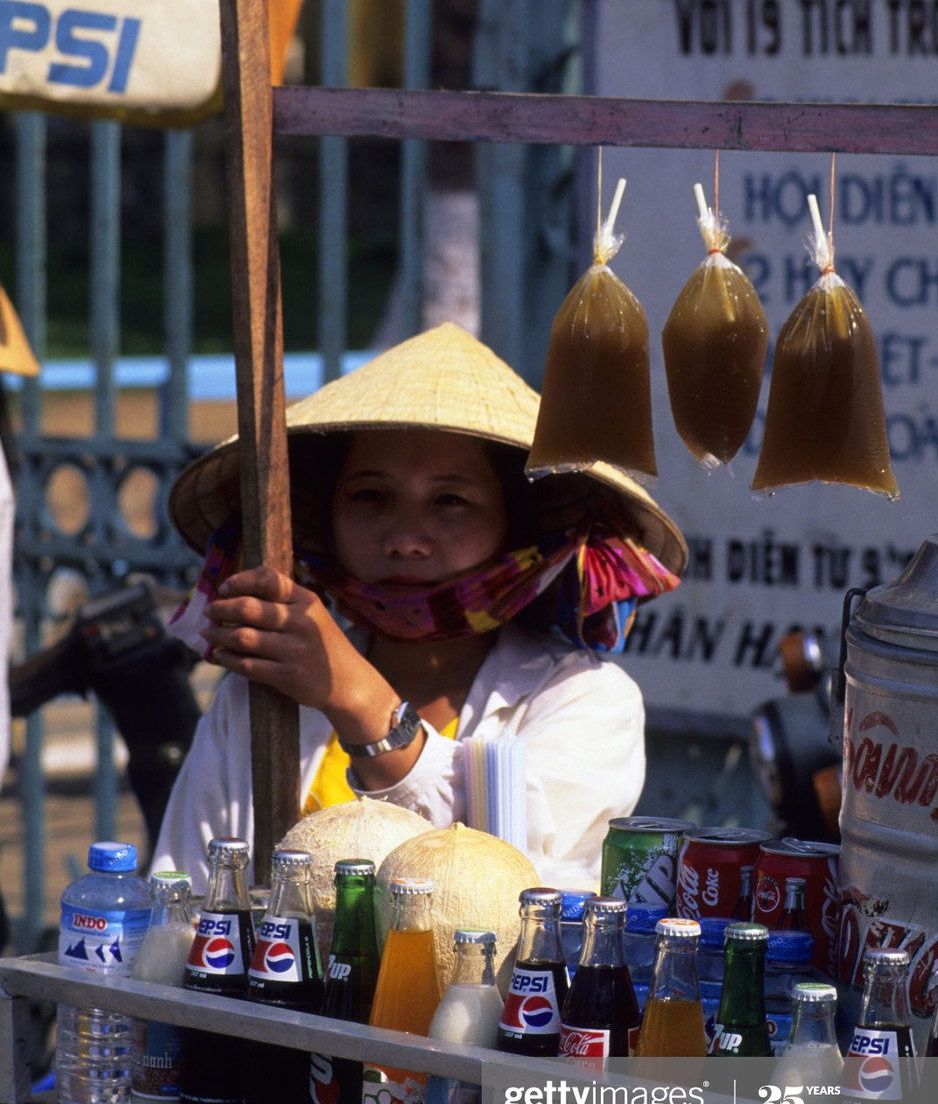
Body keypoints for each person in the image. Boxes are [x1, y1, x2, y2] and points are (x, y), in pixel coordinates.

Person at [154, 323, 687, 888]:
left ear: (513, 522)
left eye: (451, 501)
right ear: (326, 514)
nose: (405, 539)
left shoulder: (584, 699)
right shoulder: (258, 697)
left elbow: (505, 886)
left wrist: (359, 701)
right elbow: (186, 894)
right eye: (370, 496)